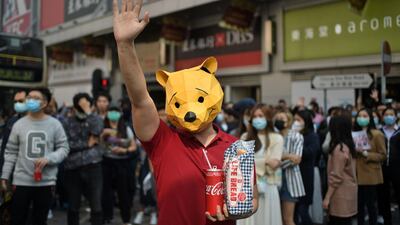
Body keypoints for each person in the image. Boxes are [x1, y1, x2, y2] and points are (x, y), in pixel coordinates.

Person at [112, 1, 258, 225]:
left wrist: (238, 210)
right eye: (180, 103)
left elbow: (252, 199)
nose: (190, 112)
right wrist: (124, 45)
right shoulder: (162, 141)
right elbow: (140, 99)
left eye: (200, 99)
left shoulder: (235, 147)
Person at [0, 88, 70, 225]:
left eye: (36, 98)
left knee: (39, 220)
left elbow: (64, 148)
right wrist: (4, 176)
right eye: (29, 97)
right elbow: (10, 152)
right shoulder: (18, 125)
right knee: (17, 219)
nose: (31, 100)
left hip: (46, 182)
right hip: (21, 182)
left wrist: (49, 158)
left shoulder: (55, 124)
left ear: (45, 103)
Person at [63, 93, 104, 225]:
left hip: (93, 167)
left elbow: (98, 130)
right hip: (73, 168)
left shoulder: (94, 119)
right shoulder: (67, 122)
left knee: (96, 205)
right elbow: (67, 145)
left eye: (86, 105)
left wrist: (88, 111)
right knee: (73, 206)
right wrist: (87, 144)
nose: (82, 109)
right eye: (80, 106)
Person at [239, 104, 283, 225]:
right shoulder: (245, 137)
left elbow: (273, 165)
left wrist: (252, 162)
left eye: (261, 116)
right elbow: (240, 163)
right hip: (247, 188)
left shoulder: (276, 138)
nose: (257, 119)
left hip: (268, 186)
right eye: (255, 116)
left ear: (268, 118)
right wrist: (265, 161)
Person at [323, 114, 357, 225]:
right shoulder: (348, 145)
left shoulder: (339, 149)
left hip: (340, 194)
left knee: (339, 221)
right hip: (348, 191)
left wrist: (327, 198)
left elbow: (336, 176)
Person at [353, 108, 386, 225]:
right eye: (359, 116)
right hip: (356, 173)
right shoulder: (353, 134)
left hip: (371, 174)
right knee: (359, 205)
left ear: (370, 118)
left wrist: (366, 153)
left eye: (365, 116)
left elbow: (382, 155)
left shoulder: (377, 134)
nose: (362, 118)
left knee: (371, 205)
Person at [274, 111, 305, 225]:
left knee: (288, 219)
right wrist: (288, 156)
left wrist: (276, 162)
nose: (279, 121)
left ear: (289, 121)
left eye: (282, 118)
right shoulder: (273, 136)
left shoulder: (296, 136)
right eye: (277, 118)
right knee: (277, 218)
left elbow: (296, 160)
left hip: (290, 180)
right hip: (274, 179)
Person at [293, 110, 320, 225]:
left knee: (303, 210)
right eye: (294, 119)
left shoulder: (312, 136)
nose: (295, 122)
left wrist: (296, 147)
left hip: (305, 176)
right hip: (293, 177)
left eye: (299, 120)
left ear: (306, 121)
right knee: (293, 211)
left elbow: (311, 152)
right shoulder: (292, 135)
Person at [377, 107, 399, 225]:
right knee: (383, 195)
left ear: (396, 117)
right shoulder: (379, 132)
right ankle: (387, 220)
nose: (389, 117)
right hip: (382, 168)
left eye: (391, 114)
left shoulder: (399, 130)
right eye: (386, 114)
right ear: (382, 117)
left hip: (397, 168)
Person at [0, 90, 27, 174]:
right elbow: (5, 146)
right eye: (15, 102)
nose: (17, 104)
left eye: (21, 101)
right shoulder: (11, 121)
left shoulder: (37, 121)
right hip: (12, 169)